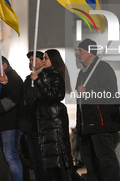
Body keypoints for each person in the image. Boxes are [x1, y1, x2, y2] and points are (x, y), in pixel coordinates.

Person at [76, 38, 120, 181]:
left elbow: (110, 92)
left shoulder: (103, 68)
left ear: (90, 52)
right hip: (87, 126)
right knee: (90, 162)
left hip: (100, 124)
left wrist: (88, 91)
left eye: (80, 50)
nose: (77, 54)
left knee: (106, 161)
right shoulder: (82, 73)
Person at [31, 49, 73, 181]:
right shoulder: (45, 76)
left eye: (46, 58)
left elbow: (52, 96)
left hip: (54, 122)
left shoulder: (56, 76)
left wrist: (38, 81)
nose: (43, 61)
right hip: (47, 122)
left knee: (60, 161)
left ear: (53, 61)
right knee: (52, 163)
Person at [20, 51, 51, 181]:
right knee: (35, 160)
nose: (30, 63)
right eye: (29, 60)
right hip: (29, 127)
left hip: (41, 126)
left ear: (41, 61)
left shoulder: (45, 77)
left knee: (43, 159)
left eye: (33, 60)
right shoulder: (28, 80)